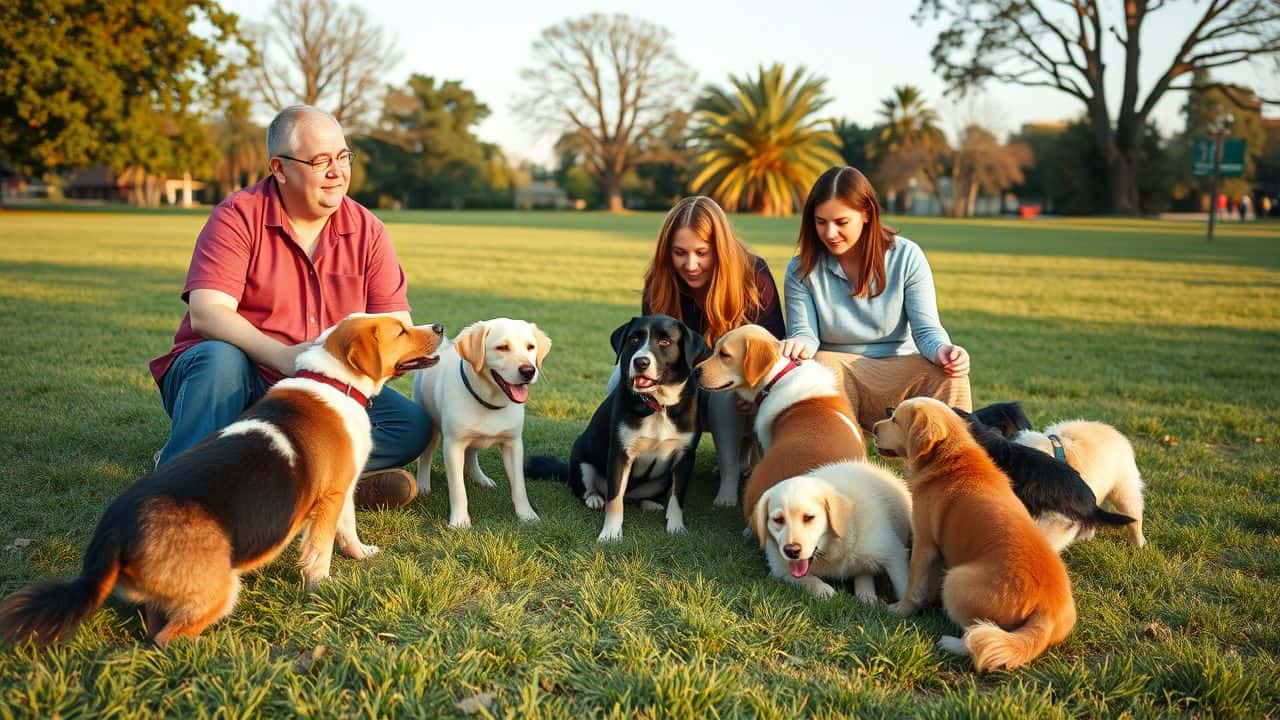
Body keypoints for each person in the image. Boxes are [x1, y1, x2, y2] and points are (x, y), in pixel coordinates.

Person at [148, 105, 429, 509]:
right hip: (231, 381)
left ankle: (300, 485)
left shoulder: (368, 230)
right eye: (320, 161)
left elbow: (395, 323)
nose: (337, 171)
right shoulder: (238, 216)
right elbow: (207, 312)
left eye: (343, 156)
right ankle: (180, 486)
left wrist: (401, 352)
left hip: (319, 386)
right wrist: (282, 355)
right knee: (219, 358)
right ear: (279, 168)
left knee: (409, 425)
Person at [781, 166, 971, 431]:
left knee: (950, 375)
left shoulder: (907, 256)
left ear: (867, 214)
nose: (830, 233)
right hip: (838, 371)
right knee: (820, 365)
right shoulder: (801, 268)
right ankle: (836, 460)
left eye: (841, 222)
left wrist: (945, 351)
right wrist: (798, 345)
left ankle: (950, 467)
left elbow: (926, 330)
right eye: (821, 222)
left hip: (898, 371)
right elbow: (805, 334)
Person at [626, 196, 785, 506]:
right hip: (677, 382)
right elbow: (650, 350)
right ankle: (640, 467)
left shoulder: (753, 276)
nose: (691, 264)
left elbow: (773, 348)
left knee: (725, 389)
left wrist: (751, 386)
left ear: (720, 250)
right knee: (618, 380)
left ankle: (730, 478)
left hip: (731, 391)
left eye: (702, 253)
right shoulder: (659, 282)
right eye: (679, 253)